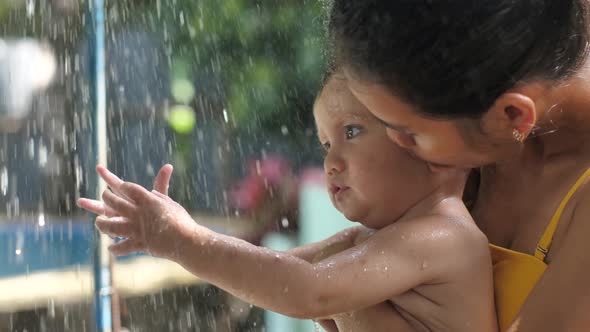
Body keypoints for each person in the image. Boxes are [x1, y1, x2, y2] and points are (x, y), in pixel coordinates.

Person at [77, 75, 498, 332]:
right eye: (326, 143)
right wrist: (168, 242)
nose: (330, 161)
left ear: (430, 144)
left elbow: (305, 290)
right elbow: (273, 274)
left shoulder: (442, 235)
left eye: (352, 132)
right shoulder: (374, 240)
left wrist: (182, 240)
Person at [328, 1, 590, 331]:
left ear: (511, 116)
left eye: (410, 133)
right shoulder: (476, 122)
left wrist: (352, 308)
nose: (394, 144)